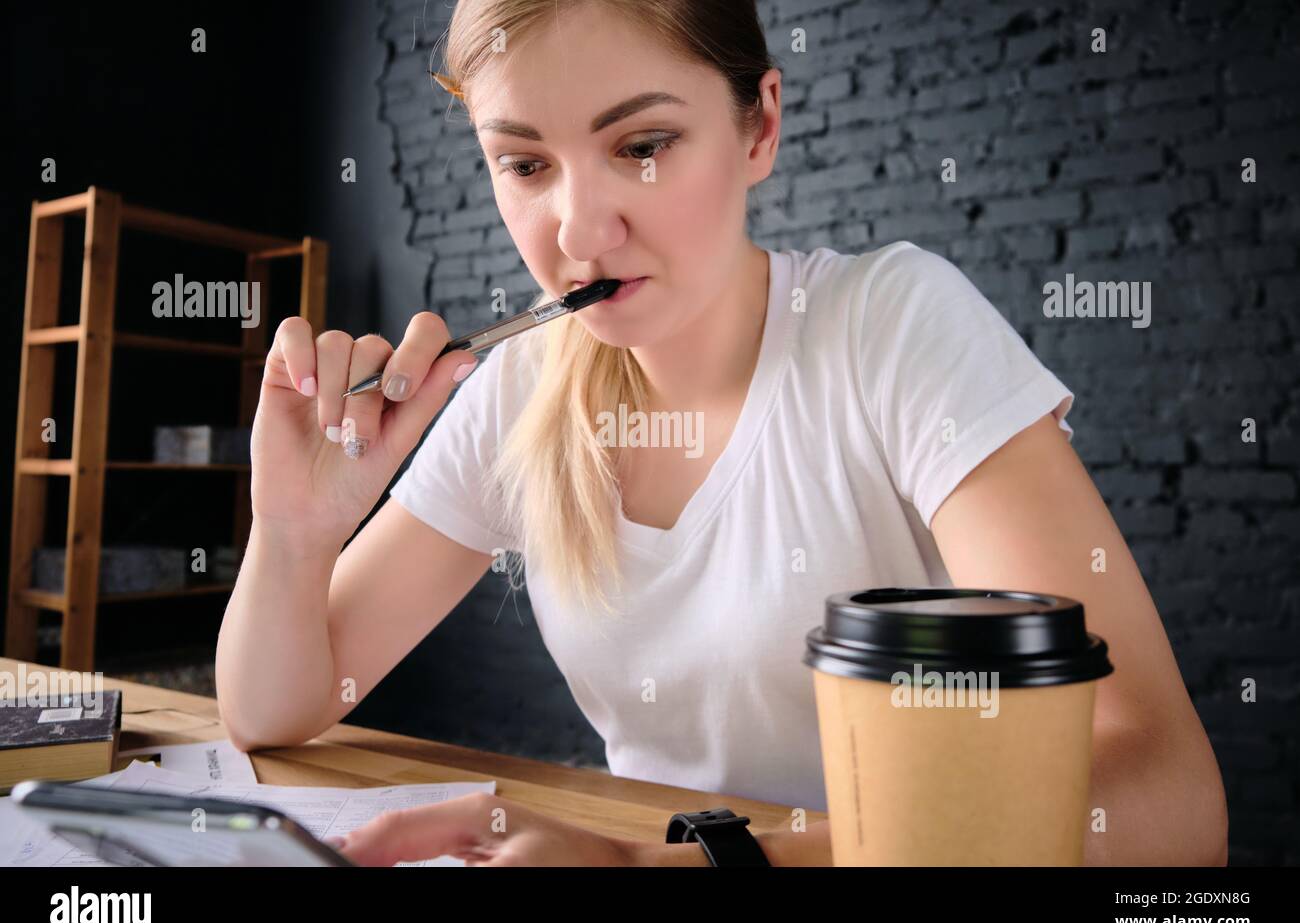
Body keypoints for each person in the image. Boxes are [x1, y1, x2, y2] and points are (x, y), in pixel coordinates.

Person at [216, 0, 1227, 866]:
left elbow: (1168, 803)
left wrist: (669, 862)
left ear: (758, 129)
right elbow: (273, 710)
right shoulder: (517, 391)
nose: (576, 233)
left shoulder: (893, 326)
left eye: (641, 146)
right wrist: (296, 532)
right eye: (523, 163)